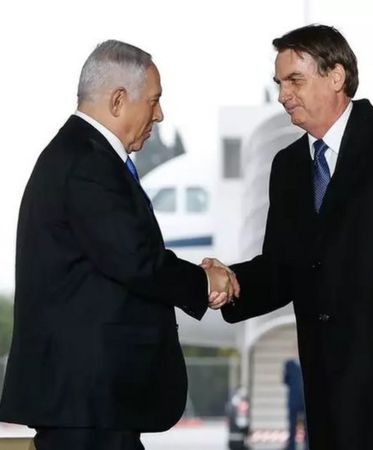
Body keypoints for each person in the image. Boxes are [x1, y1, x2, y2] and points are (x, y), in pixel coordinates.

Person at [205, 24, 373, 450]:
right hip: (328, 397)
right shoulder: (288, 167)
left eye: (294, 80)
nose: (283, 95)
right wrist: (229, 283)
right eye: (279, 83)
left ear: (336, 76)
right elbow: (282, 269)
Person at [0, 40, 236, 450]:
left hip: (93, 404)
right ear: (118, 100)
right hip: (87, 405)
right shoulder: (86, 164)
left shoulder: (81, 156)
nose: (159, 114)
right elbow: (136, 259)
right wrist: (204, 282)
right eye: (154, 100)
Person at [282, 358, 305, 450]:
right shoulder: (289, 364)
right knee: (292, 425)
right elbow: (285, 380)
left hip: (303, 401)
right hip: (293, 400)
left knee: (307, 425)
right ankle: (291, 447)